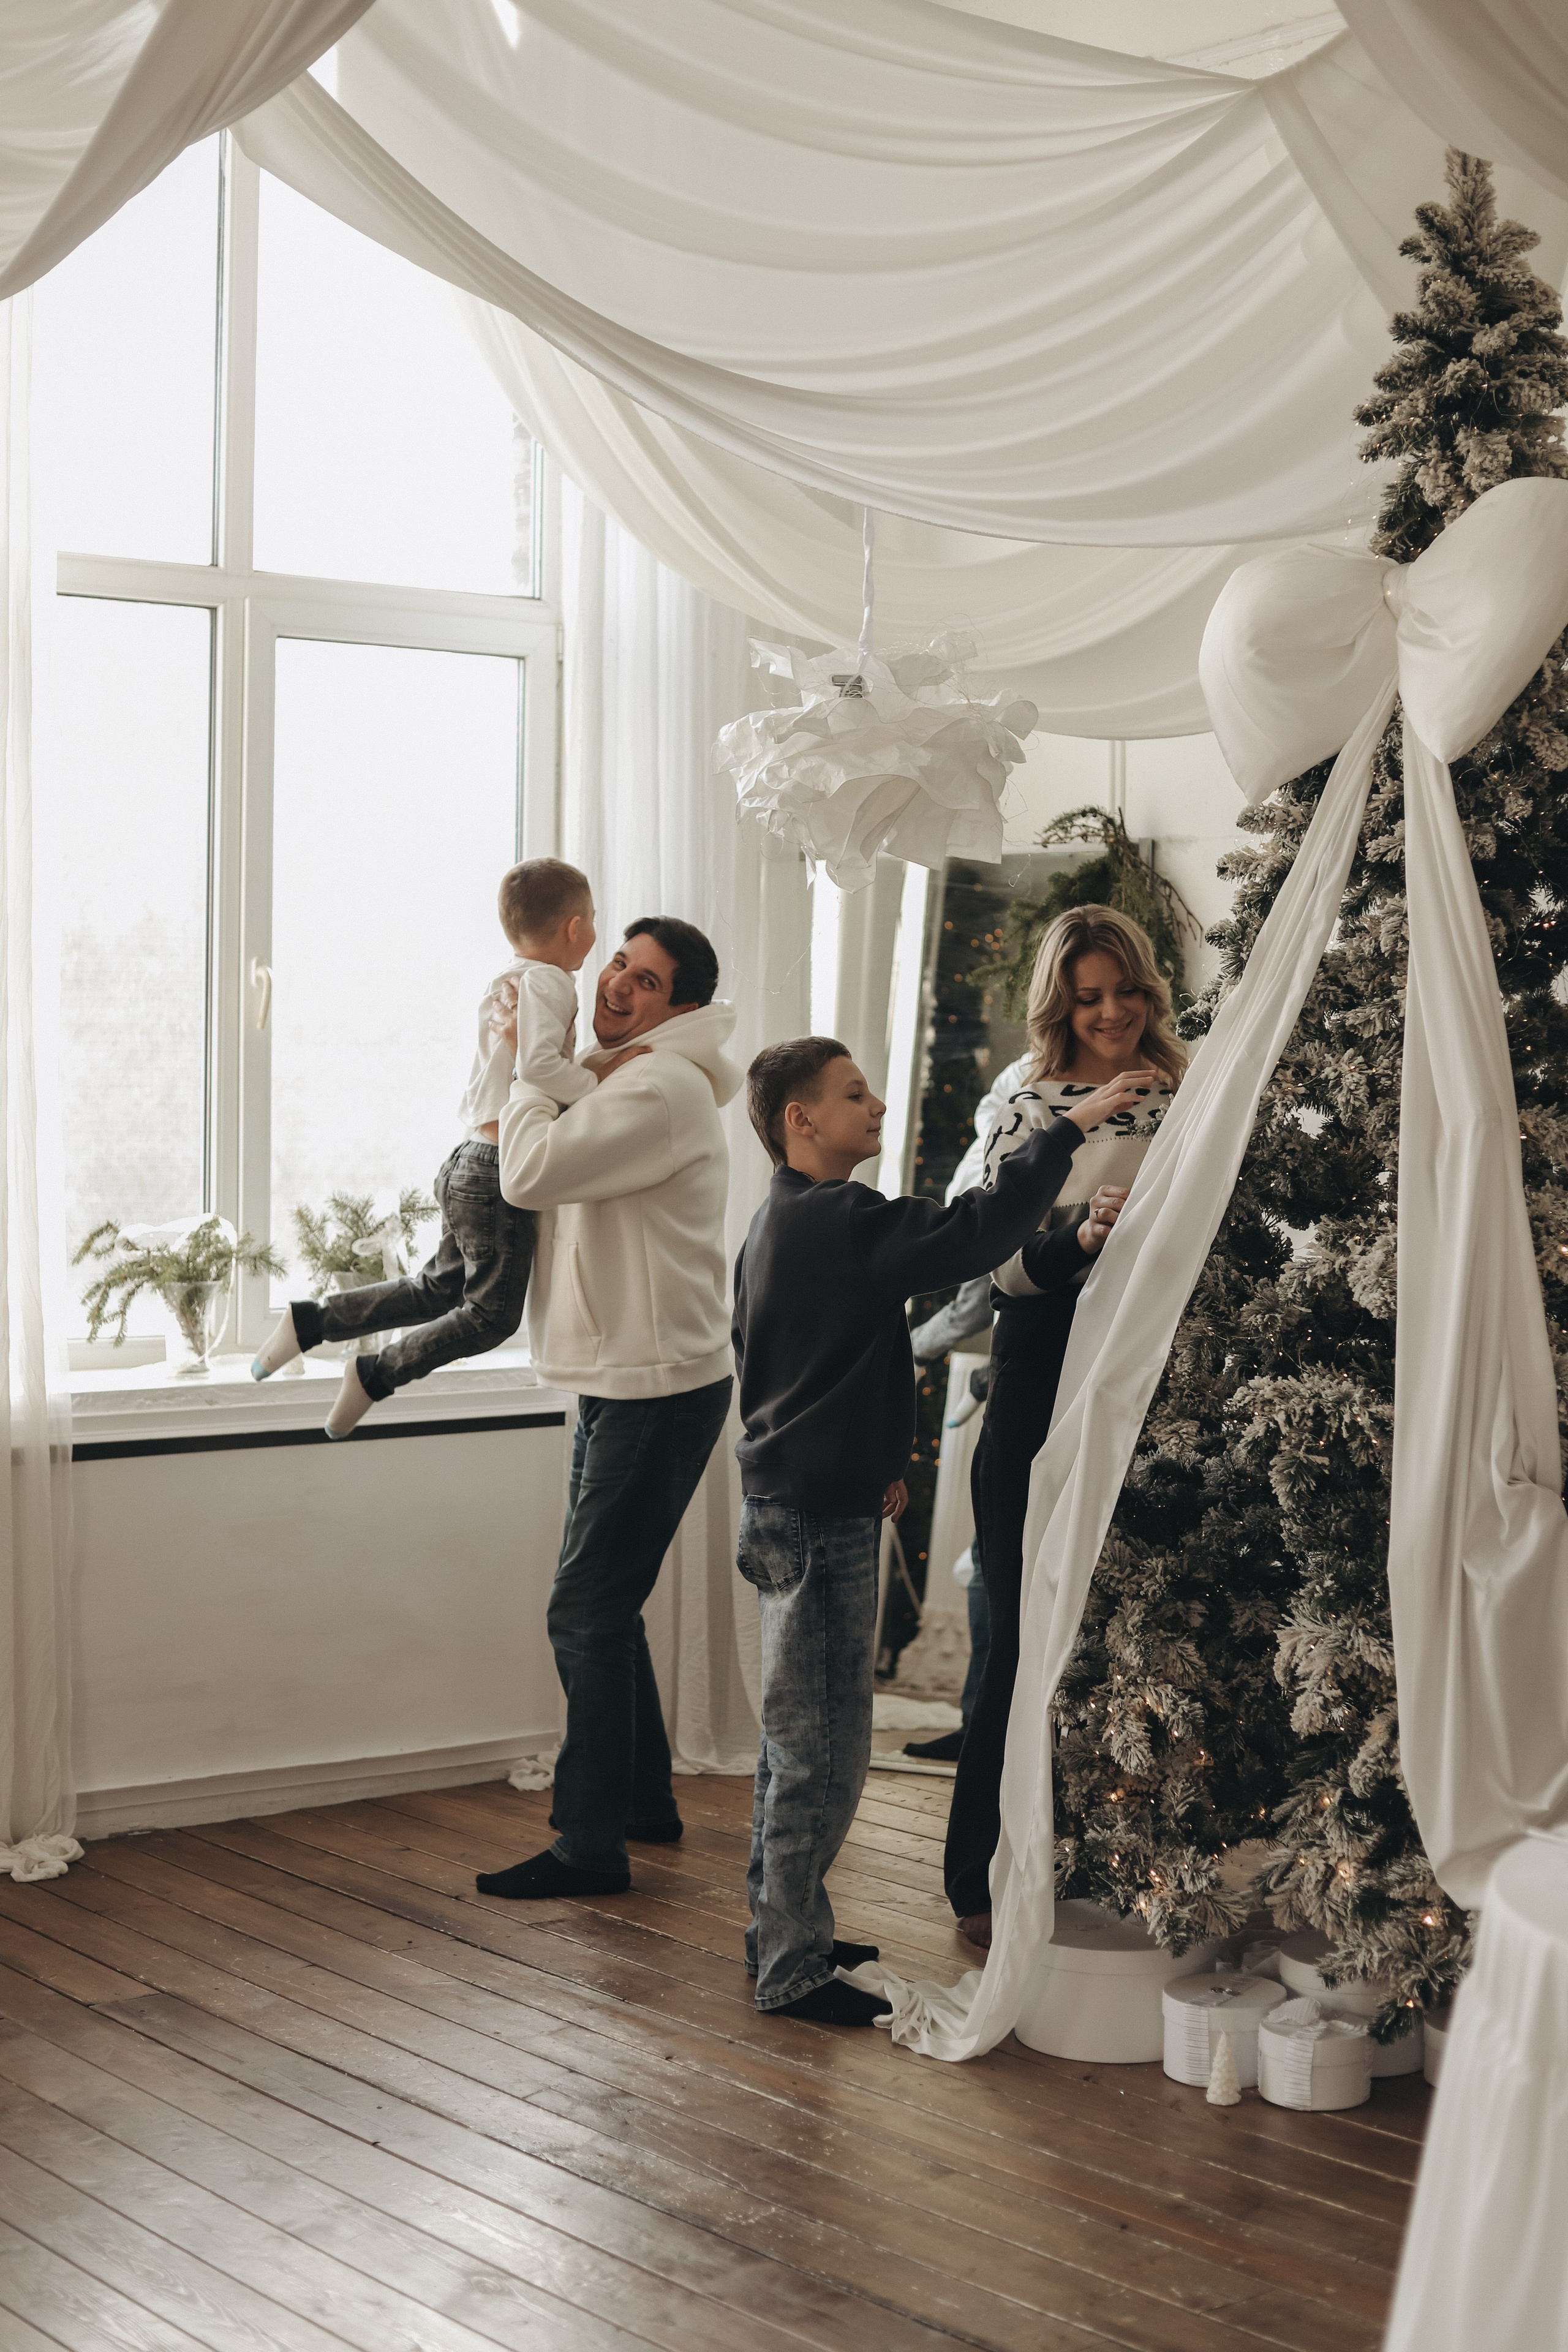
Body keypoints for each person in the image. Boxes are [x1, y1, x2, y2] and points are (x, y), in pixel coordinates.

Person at [733, 1035, 1155, 2026]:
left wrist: (869, 1459)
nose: (875, 1106)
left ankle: (779, 1928)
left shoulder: (781, 1220)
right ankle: (790, 1964)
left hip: (792, 1497)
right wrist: (1070, 1123)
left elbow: (786, 1363)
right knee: (825, 1753)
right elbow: (980, 1232)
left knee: (794, 1741)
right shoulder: (843, 1216)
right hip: (815, 1515)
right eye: (854, 1094)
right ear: (803, 1120)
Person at [474, 916, 741, 1902]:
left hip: (658, 1386)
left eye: (647, 980)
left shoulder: (661, 1088)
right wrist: (533, 1057)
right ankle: (642, 1804)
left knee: (582, 1609)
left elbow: (530, 1170)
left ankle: (590, 1848)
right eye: (618, 966)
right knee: (606, 1604)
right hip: (627, 1375)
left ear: (684, 1010)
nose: (619, 985)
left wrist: (527, 1072)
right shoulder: (615, 1072)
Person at [944, 905, 1185, 1947]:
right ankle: (977, 1873)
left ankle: (1122, 1860)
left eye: (1127, 991)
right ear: (1059, 1004)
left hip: (1165, 1385)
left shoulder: (1194, 1094)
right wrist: (1077, 1236)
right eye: (1088, 998)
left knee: (1136, 1631)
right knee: (1011, 1628)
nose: (1113, 1014)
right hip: (1041, 1381)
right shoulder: (1026, 1104)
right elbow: (980, 1258)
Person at [251, 857, 598, 1438]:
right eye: (592, 920)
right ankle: (375, 1374)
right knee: (490, 1317)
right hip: (495, 1169)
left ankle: (310, 1321)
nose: (593, 932)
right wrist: (596, 1089)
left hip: (466, 1159)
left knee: (438, 1289)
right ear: (573, 928)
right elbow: (538, 1066)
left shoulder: (505, 981)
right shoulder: (552, 981)